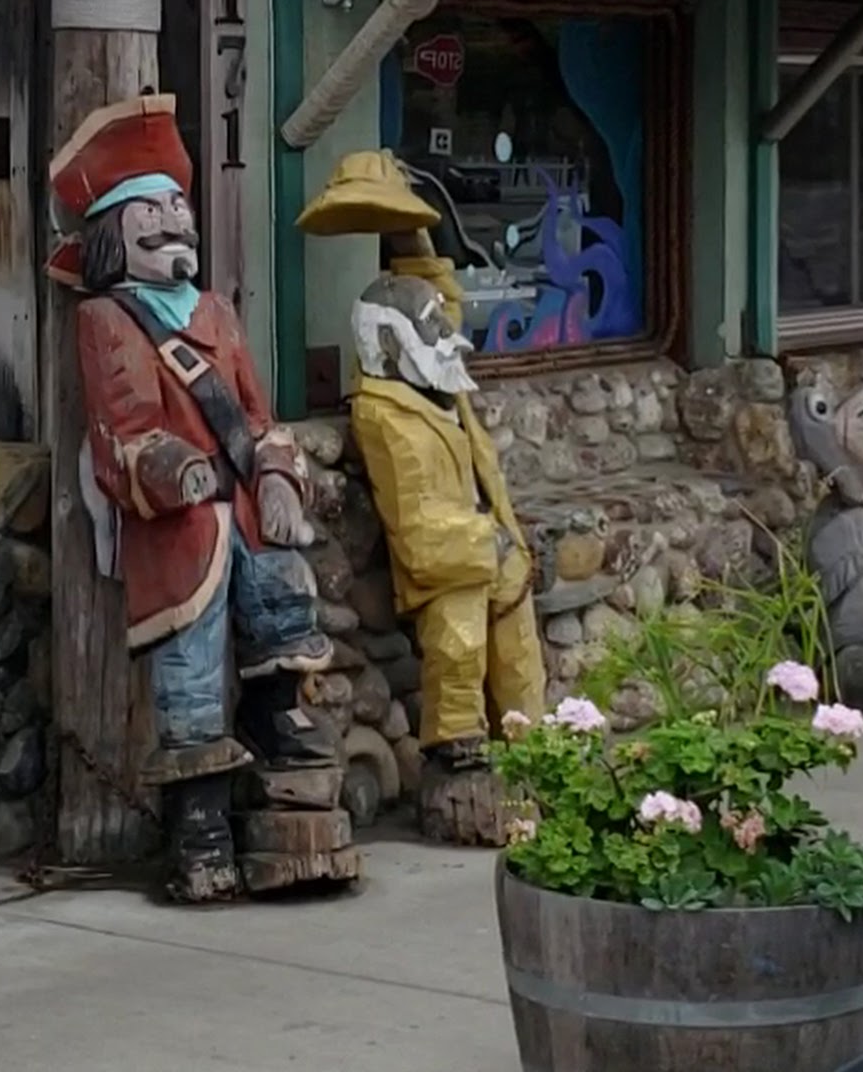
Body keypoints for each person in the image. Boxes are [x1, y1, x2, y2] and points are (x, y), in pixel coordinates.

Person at [49, 95, 334, 902]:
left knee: (282, 596)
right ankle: (199, 824)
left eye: (179, 205)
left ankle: (279, 729)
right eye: (152, 209)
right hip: (181, 520)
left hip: (244, 498)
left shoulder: (217, 310)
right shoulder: (107, 319)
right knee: (190, 660)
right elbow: (124, 425)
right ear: (113, 231)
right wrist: (178, 472)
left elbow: (256, 414)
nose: (175, 219)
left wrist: (277, 476)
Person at [347, 270, 544, 844]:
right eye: (429, 326)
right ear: (388, 344)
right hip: (448, 565)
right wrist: (491, 542)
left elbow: (487, 478)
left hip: (490, 547)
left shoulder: (443, 390)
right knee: (458, 629)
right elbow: (418, 527)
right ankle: (456, 744)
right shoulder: (382, 414)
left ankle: (538, 754)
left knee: (520, 640)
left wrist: (512, 543)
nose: (448, 338)